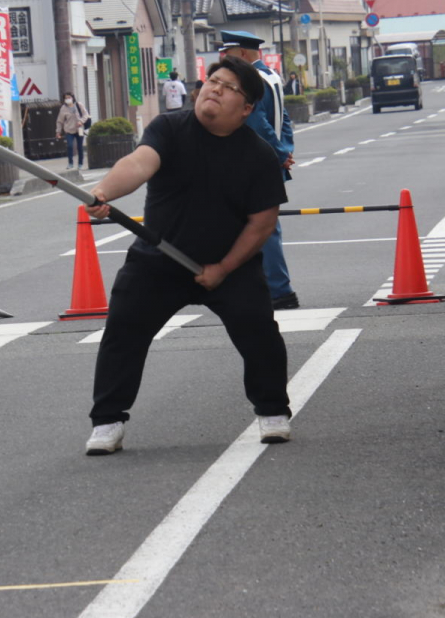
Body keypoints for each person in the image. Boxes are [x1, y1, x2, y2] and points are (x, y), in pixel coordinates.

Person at [83, 55, 293, 455]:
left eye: (229, 87)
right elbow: (139, 162)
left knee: (259, 333)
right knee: (123, 332)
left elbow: (262, 223)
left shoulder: (259, 156)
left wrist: (224, 268)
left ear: (246, 108)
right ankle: (107, 421)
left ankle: (273, 411)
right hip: (158, 259)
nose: (214, 88)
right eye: (213, 81)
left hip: (229, 264)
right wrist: (106, 191)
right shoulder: (168, 128)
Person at [219, 29, 299, 310]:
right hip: (269, 160)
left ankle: (278, 290)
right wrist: (285, 149)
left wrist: (278, 152)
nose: (222, 58)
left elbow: (256, 121)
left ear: (241, 54)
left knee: (261, 228)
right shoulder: (273, 76)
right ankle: (267, 287)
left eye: (226, 54)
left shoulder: (249, 80)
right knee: (260, 226)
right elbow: (284, 118)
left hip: (252, 162)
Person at [56, 92, 89, 170]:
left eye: (69, 97)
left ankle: (80, 163)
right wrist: (58, 131)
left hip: (79, 129)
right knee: (69, 146)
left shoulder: (78, 105)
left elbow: (85, 114)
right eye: (66, 98)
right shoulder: (63, 108)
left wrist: (81, 121)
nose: (68, 99)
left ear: (73, 98)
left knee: (80, 147)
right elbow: (59, 121)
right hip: (69, 130)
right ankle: (70, 163)